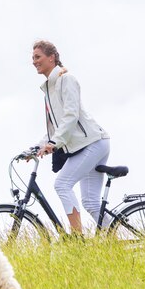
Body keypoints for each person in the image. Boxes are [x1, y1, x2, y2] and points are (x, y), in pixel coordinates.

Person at [31, 40, 110, 235]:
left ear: (52, 57)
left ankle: (77, 239)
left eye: (38, 57)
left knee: (62, 184)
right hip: (87, 145)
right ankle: (113, 240)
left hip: (93, 142)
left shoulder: (66, 80)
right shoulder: (50, 87)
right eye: (33, 58)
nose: (34, 61)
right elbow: (55, 128)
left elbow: (71, 115)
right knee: (91, 202)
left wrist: (54, 143)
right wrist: (37, 146)